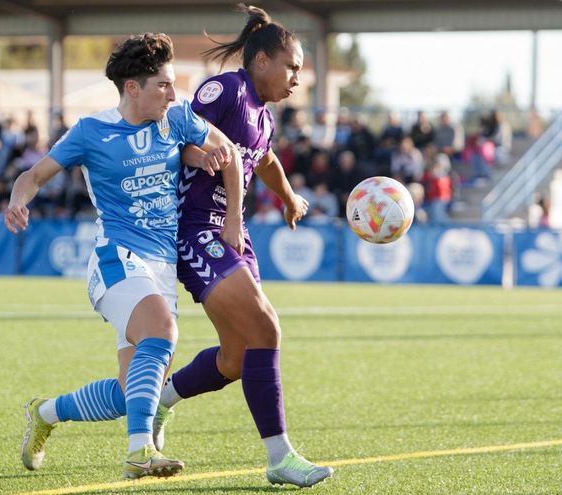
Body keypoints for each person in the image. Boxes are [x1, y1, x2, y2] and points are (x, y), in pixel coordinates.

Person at [9, 33, 242, 480]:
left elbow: (226, 149)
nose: (173, 93)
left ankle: (45, 412)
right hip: (117, 258)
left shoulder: (177, 118)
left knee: (132, 393)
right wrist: (18, 201)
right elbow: (33, 176)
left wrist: (210, 169)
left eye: (173, 84)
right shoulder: (91, 131)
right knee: (162, 330)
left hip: (162, 268)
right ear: (132, 88)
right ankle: (140, 452)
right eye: (163, 85)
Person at [154, 4, 334, 488]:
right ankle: (280, 457)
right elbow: (174, 137)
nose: (297, 78)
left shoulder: (264, 116)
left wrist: (289, 197)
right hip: (196, 230)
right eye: (292, 66)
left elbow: (264, 159)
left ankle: (159, 404)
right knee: (266, 327)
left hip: (230, 232)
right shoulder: (226, 90)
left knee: (235, 357)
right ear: (262, 61)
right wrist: (201, 160)